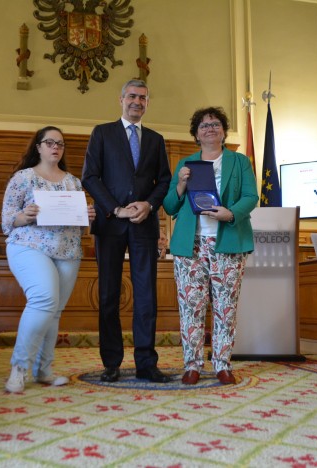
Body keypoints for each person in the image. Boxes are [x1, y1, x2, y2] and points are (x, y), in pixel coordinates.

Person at [81, 79, 172, 383]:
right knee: (108, 294)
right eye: (132, 96)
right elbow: (90, 177)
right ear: (120, 99)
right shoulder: (102, 133)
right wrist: (116, 209)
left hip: (144, 225)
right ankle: (112, 362)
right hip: (110, 224)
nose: (137, 101)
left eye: (143, 98)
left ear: (148, 103)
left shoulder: (156, 140)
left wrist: (148, 204)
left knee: (146, 295)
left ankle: (146, 362)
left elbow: (165, 181)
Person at [163, 106, 258, 385]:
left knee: (225, 305)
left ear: (224, 131)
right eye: (204, 125)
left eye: (216, 124)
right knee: (191, 306)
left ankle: (221, 364)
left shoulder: (239, 162)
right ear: (196, 133)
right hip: (190, 244)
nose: (210, 128)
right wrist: (180, 184)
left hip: (227, 241)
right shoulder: (185, 164)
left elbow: (251, 196)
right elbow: (170, 206)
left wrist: (231, 213)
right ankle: (192, 364)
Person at [3, 126, 95, 393]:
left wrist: (86, 216)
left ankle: (43, 370)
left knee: (53, 311)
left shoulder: (73, 182)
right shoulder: (23, 178)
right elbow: (8, 220)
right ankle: (19, 368)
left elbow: (77, 223)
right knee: (43, 299)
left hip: (67, 250)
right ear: (38, 147)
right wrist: (25, 215)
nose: (56, 147)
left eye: (60, 144)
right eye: (50, 142)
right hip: (29, 246)